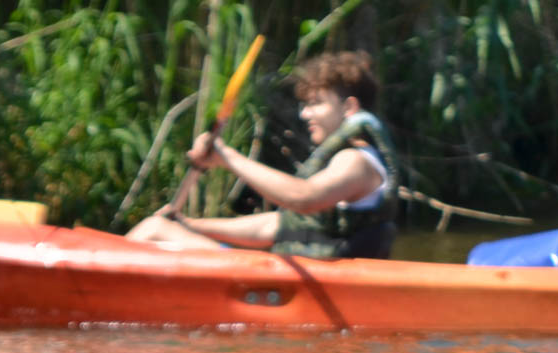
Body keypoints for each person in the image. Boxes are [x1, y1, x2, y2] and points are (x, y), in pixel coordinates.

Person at [125, 51, 398, 259]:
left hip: (315, 283)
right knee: (160, 227)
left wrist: (227, 156)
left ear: (349, 107)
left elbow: (303, 198)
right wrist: (191, 224)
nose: (305, 114)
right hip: (295, 275)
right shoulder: (344, 162)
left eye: (316, 104)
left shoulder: (356, 161)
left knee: (153, 230)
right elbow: (276, 225)